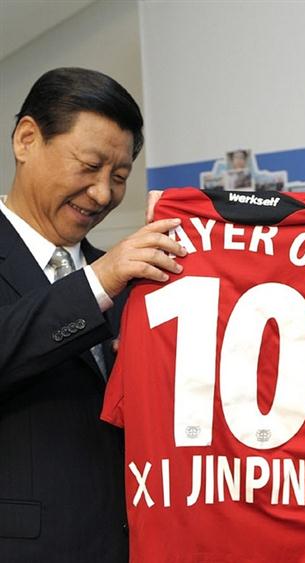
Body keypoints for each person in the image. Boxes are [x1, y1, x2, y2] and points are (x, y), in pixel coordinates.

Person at [0, 67, 186, 563]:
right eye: (89, 166)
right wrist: (97, 284)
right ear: (26, 140)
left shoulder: (132, 281)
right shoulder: (109, 278)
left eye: (119, 177)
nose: (103, 194)